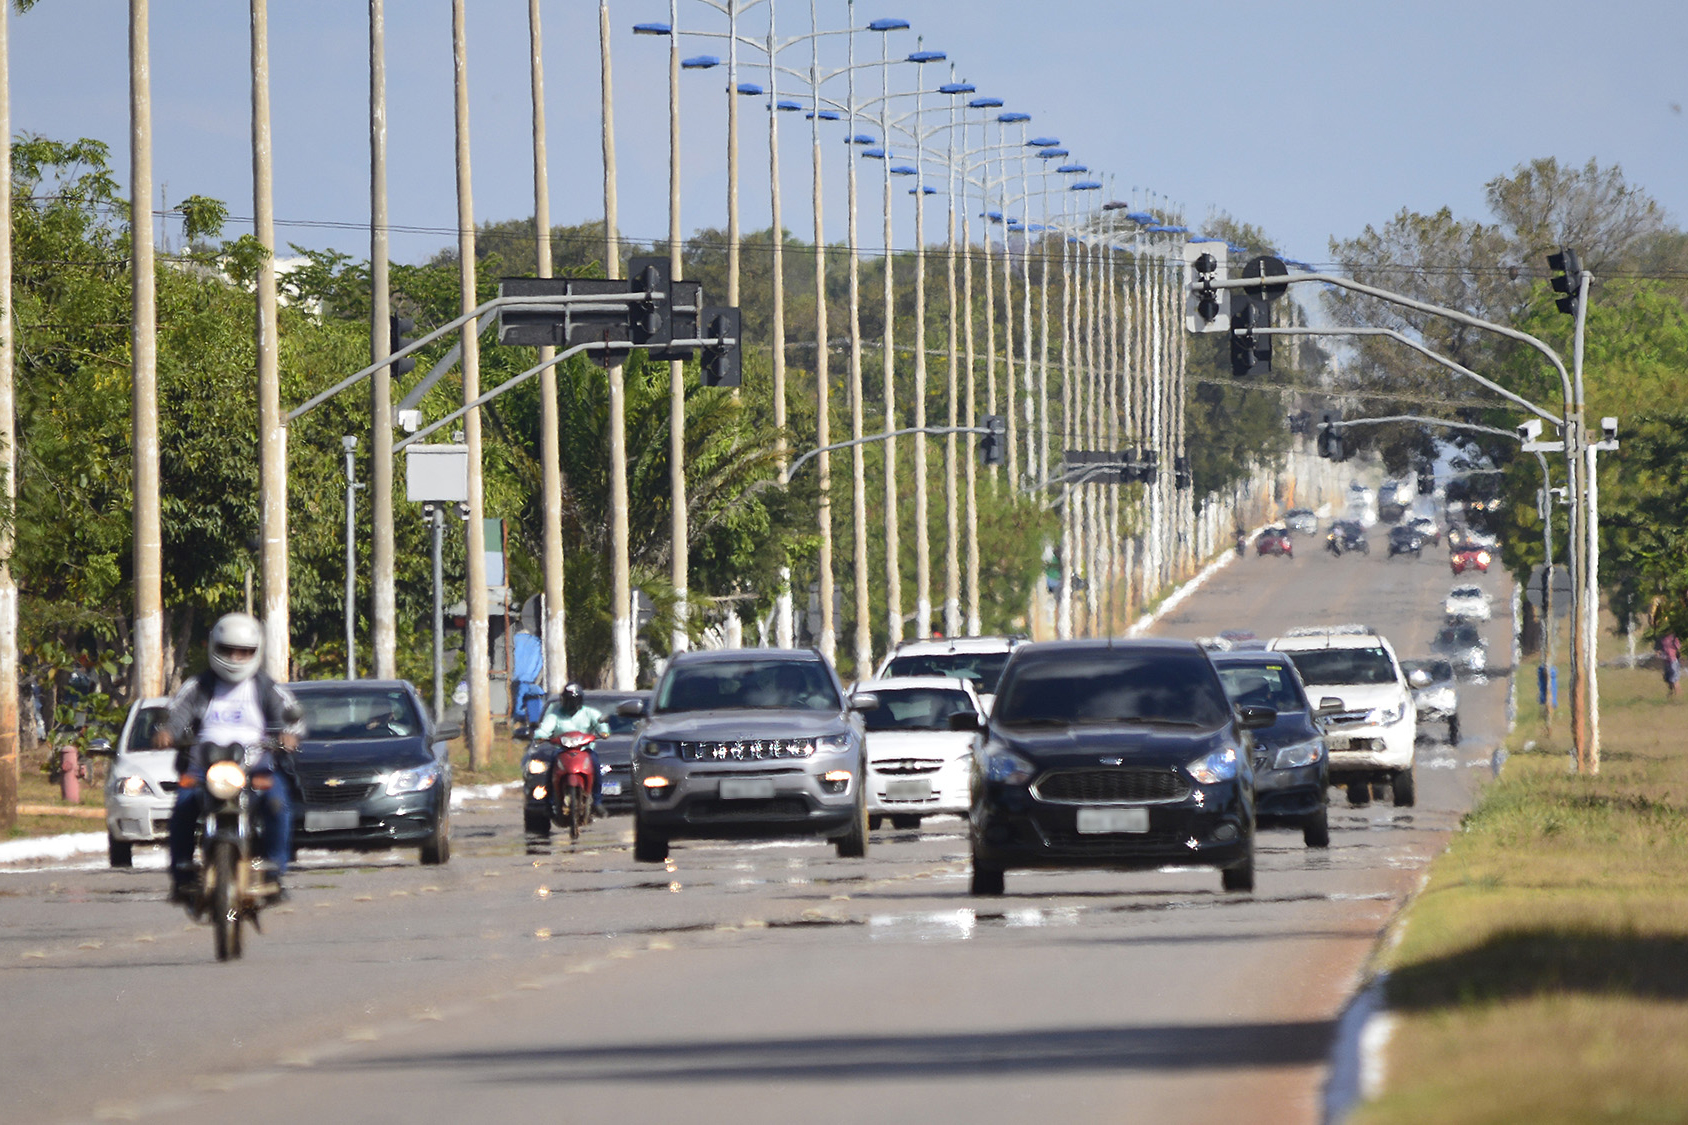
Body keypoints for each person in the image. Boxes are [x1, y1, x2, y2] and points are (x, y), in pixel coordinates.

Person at [155, 613, 304, 904]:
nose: (236, 658)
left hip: (254, 766)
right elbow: (176, 714)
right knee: (184, 805)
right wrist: (167, 733)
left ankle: (274, 870)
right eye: (228, 650)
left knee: (278, 802)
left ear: (256, 652)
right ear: (214, 648)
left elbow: (291, 717)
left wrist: (289, 734)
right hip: (204, 767)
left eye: (244, 651)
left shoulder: (266, 687)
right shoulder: (198, 686)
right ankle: (182, 872)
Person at [532, 683, 608, 815]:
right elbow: (545, 728)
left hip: (585, 750)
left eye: (574, 700)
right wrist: (540, 736)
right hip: (562, 750)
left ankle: (597, 801)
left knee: (596, 765)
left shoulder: (590, 713)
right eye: (568, 700)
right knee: (551, 769)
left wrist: (603, 732)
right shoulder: (555, 714)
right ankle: (549, 802)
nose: (571, 704)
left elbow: (601, 724)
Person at [1661, 633, 1681, 700]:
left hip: (1673, 661)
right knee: (1669, 680)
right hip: (1667, 661)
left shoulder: (1674, 638)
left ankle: (1678, 697)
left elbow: (1679, 647)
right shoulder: (1663, 638)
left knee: (1675, 680)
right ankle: (1671, 696)